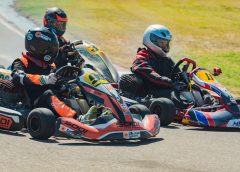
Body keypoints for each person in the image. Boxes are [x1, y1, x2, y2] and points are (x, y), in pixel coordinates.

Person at [11, 27, 76, 118]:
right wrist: (43, 79)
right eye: (50, 49)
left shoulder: (50, 66)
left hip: (52, 102)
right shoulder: (22, 62)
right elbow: (17, 77)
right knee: (48, 94)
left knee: (72, 90)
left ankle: (89, 114)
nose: (53, 52)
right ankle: (75, 117)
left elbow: (56, 85)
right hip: (33, 103)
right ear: (39, 48)